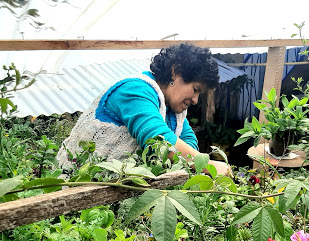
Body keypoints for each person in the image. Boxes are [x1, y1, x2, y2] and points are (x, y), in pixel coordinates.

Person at [56, 43, 231, 176]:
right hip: (73, 185)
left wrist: (194, 161)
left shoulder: (172, 110)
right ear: (175, 73)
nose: (195, 100)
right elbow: (157, 138)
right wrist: (208, 165)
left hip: (113, 194)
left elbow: (187, 141)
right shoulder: (135, 90)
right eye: (195, 89)